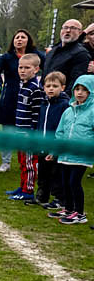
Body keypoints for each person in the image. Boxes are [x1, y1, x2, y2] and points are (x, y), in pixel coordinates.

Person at [0, 29, 43, 172]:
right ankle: (6, 162)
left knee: (27, 135)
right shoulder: (7, 57)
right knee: (7, 132)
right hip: (10, 99)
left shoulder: (36, 57)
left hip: (27, 105)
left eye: (23, 37)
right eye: (17, 37)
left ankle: (32, 164)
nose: (19, 39)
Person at [47, 75, 94, 224]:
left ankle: (80, 213)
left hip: (81, 154)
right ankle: (68, 208)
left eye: (84, 90)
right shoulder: (68, 111)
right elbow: (60, 133)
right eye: (77, 89)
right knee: (65, 181)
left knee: (74, 182)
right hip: (65, 154)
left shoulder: (92, 111)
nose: (80, 93)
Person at [5, 53, 44, 203]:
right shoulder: (24, 85)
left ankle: (28, 190)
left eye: (27, 68)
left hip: (28, 133)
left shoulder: (35, 89)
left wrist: (32, 132)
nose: (22, 70)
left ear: (36, 69)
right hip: (20, 130)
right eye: (20, 67)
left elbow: (36, 114)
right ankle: (22, 187)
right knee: (22, 161)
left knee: (29, 162)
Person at [35, 72, 69, 209]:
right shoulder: (44, 103)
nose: (51, 89)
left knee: (56, 173)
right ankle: (42, 195)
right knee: (43, 171)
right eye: (48, 85)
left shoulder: (64, 105)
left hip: (55, 145)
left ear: (62, 87)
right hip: (43, 144)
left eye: (55, 86)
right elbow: (40, 123)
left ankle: (59, 198)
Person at [42, 19, 92, 92]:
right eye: (65, 27)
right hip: (45, 97)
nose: (68, 30)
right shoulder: (52, 51)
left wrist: (64, 98)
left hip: (62, 99)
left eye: (73, 28)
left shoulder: (81, 54)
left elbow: (75, 81)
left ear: (80, 33)